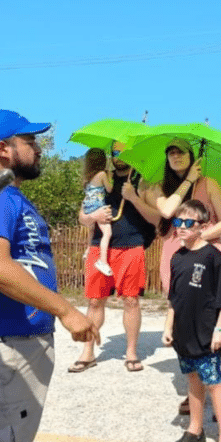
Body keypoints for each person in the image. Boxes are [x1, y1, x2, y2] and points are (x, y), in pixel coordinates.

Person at [0, 109, 100, 442]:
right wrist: (65, 311)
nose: (39, 149)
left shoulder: (10, 196)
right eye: (31, 142)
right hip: (3, 343)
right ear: (3, 149)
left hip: (19, 341)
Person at [155, 137, 221, 419]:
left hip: (206, 254)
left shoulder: (209, 184)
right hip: (175, 257)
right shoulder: (162, 188)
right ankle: (195, 396)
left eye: (181, 152)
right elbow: (167, 212)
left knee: (218, 327)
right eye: (171, 153)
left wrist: (200, 235)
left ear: (193, 156)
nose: (175, 156)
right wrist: (187, 180)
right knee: (183, 322)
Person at [69, 140, 160, 373]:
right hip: (100, 246)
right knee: (94, 300)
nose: (118, 155)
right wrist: (93, 216)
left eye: (123, 151)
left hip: (131, 245)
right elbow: (82, 215)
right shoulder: (101, 178)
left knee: (130, 300)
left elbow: (158, 218)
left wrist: (134, 198)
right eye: (114, 151)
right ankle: (88, 353)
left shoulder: (143, 182)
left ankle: (131, 352)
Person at [163, 200, 221, 442]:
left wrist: (220, 330)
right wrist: (168, 327)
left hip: (207, 333)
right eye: (177, 222)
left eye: (188, 223)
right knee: (192, 380)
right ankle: (195, 430)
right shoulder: (177, 257)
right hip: (184, 334)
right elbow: (173, 299)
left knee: (214, 382)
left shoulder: (212, 256)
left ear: (203, 226)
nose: (181, 227)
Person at [81, 147, 114, 276]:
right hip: (98, 206)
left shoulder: (88, 178)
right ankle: (103, 261)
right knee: (107, 233)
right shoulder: (102, 174)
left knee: (92, 229)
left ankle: (88, 249)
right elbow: (110, 189)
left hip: (88, 206)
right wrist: (110, 178)